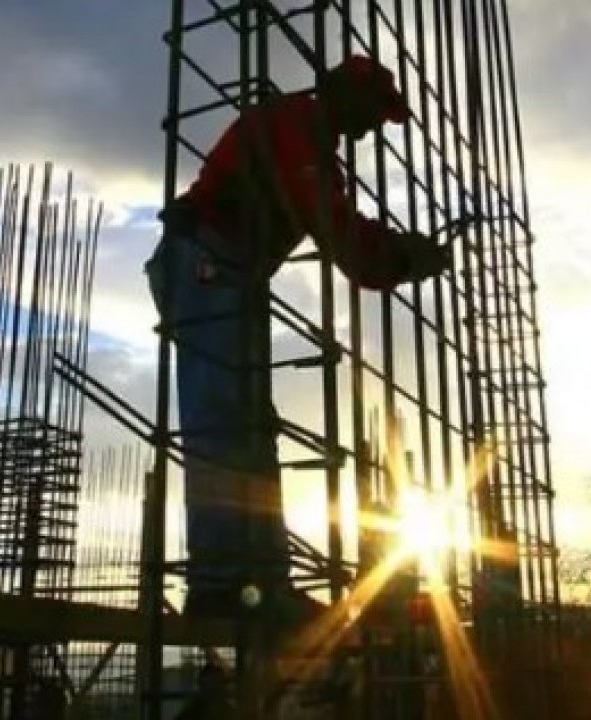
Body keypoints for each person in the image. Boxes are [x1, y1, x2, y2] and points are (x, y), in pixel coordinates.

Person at [145, 54, 450, 624]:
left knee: (251, 429)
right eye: (370, 114)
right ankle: (219, 584)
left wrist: (405, 256)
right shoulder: (290, 130)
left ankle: (259, 583)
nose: (368, 130)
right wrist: (410, 256)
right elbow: (345, 239)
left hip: (230, 272)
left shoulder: (314, 152)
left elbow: (348, 235)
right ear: (341, 94)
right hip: (205, 265)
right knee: (220, 423)